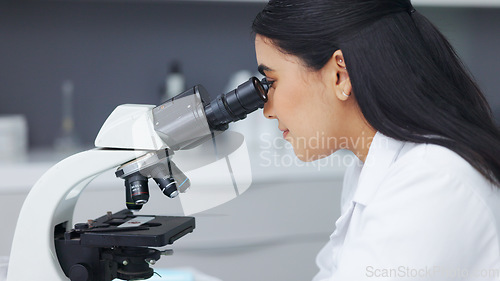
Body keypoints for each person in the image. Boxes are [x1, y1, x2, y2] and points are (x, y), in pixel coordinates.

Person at [252, 0, 500, 280]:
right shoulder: (370, 168)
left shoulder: (433, 183)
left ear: (340, 74)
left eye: (271, 82)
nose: (268, 111)